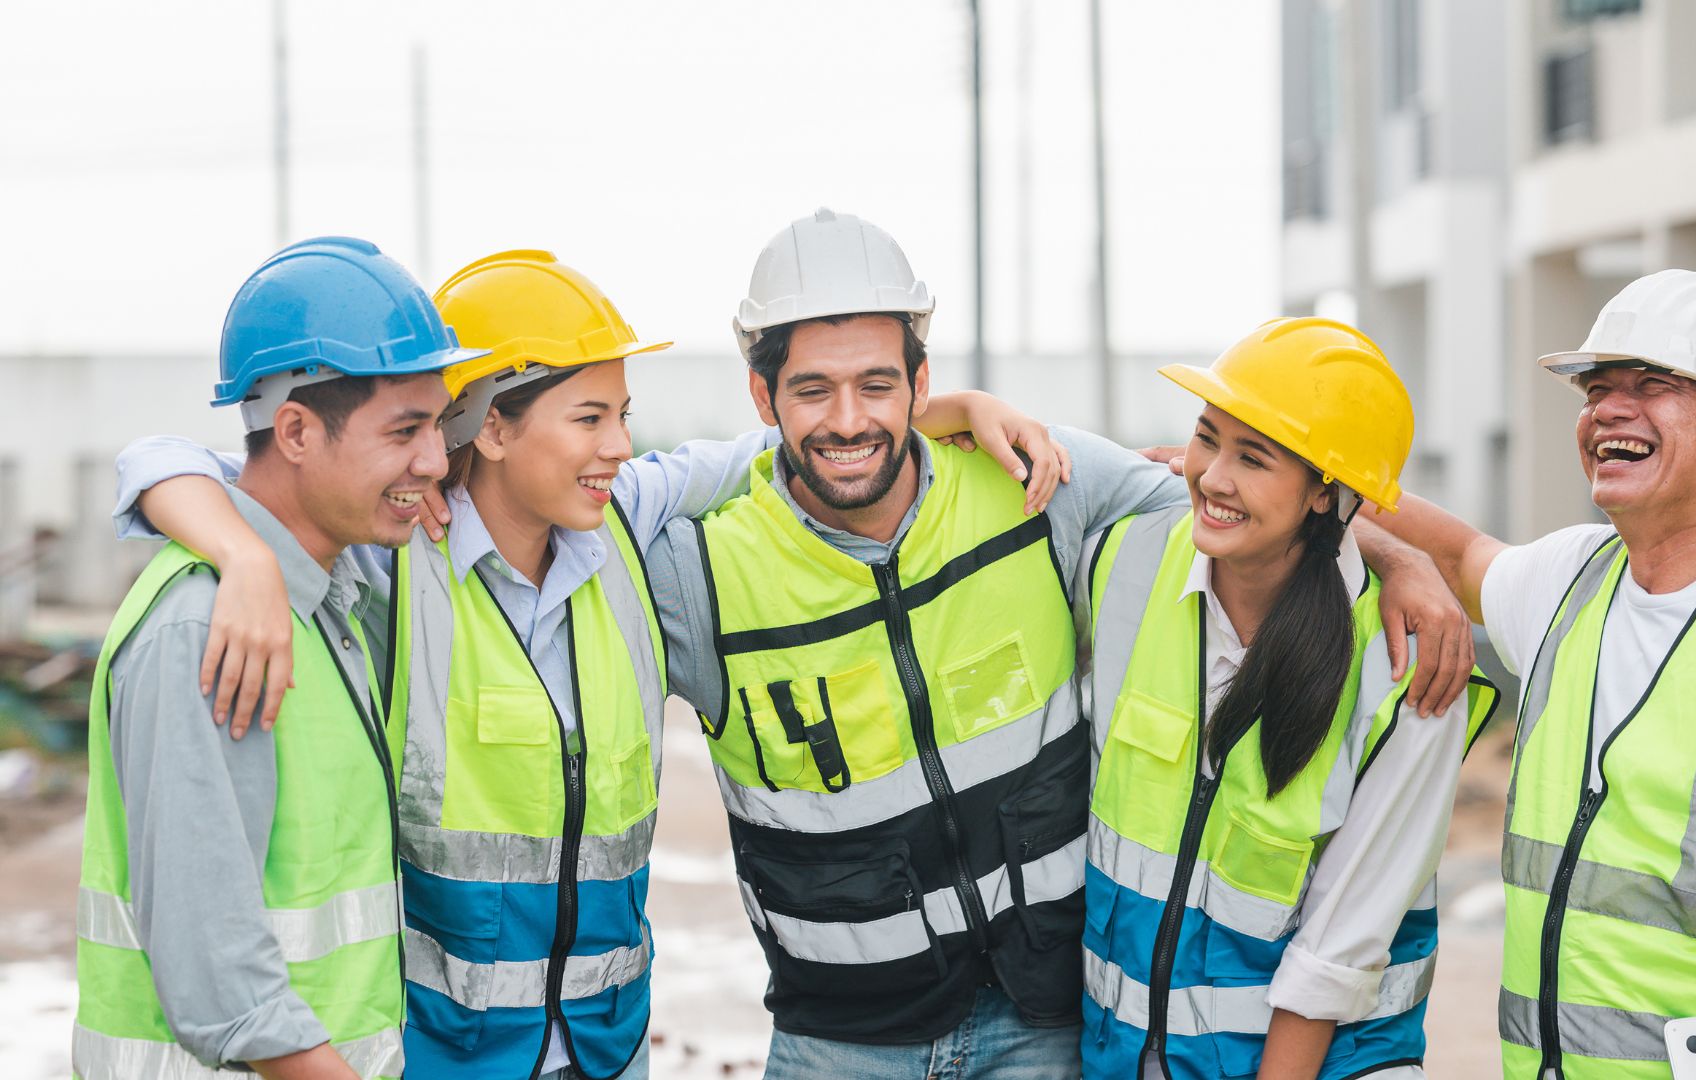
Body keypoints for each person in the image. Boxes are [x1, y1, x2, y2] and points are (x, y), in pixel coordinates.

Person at [111, 250, 1063, 1080]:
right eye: (589, 418)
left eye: (624, 416)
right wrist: (239, 557)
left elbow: (779, 448)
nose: (619, 445)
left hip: (608, 1052)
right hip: (447, 1058)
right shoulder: (396, 560)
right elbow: (178, 461)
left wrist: (955, 408)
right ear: (486, 427)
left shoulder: (627, 531)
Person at [646, 209, 1478, 1078]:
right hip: (841, 1044)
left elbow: (1250, 515)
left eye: (878, 385)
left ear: (920, 382)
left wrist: (1393, 553)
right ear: (762, 395)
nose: (848, 419)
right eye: (812, 389)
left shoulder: (1041, 493)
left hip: (1042, 1031)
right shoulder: (700, 571)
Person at [1361, 269, 1696, 1079]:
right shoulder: (1570, 578)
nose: (1606, 410)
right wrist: (1293, 481)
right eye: (1598, 388)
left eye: (1651, 385)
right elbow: (1451, 552)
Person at [74, 237, 481, 1078]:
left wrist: (247, 554)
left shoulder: (326, 587)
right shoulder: (201, 630)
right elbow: (222, 985)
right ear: (294, 430)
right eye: (405, 431)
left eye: (438, 425)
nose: (435, 463)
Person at [1077, 317, 1499, 1080]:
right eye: (1207, 437)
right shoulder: (1123, 559)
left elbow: (1338, 948)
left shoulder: (1407, 667)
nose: (1212, 476)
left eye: (1254, 457)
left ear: (1324, 492)